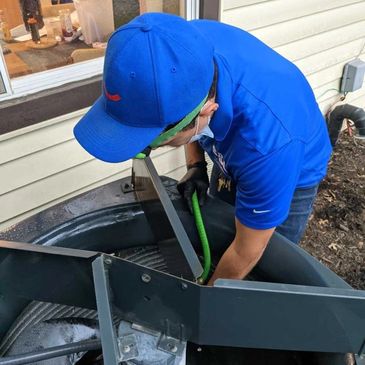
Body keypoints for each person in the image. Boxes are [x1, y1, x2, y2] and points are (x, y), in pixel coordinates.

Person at [74, 13, 332, 286]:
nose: (144, 150)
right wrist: (196, 166)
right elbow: (185, 114)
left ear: (206, 113)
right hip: (237, 143)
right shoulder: (177, 50)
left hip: (289, 168)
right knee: (219, 234)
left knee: (267, 266)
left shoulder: (267, 147)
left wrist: (202, 306)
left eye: (153, 142)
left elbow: (246, 251)